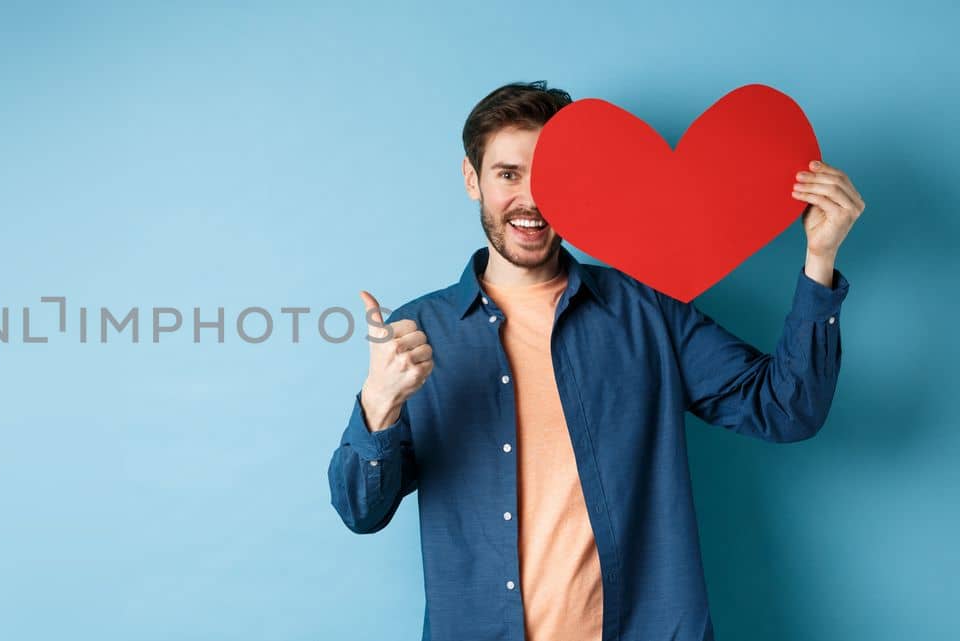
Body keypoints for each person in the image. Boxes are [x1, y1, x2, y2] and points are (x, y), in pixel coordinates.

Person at [327, 81, 864, 641]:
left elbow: (787, 410)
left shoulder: (646, 310)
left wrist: (819, 261)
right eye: (508, 174)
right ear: (472, 180)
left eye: (549, 177)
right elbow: (361, 511)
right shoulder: (420, 333)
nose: (530, 200)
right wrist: (380, 404)